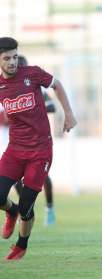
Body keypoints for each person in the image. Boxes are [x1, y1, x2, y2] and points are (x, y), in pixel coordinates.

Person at [0, 37, 77, 260]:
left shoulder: (32, 74)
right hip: (15, 150)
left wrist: (69, 113)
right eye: (7, 58)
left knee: (27, 206)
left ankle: (22, 244)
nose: (12, 62)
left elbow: (57, 85)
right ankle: (10, 211)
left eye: (15, 57)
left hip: (40, 151)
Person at [12, 54, 56, 226]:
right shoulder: (5, 88)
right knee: (15, 179)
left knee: (43, 176)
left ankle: (49, 208)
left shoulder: (36, 87)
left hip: (38, 140)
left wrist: (33, 108)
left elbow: (52, 107)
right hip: (15, 141)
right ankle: (27, 210)